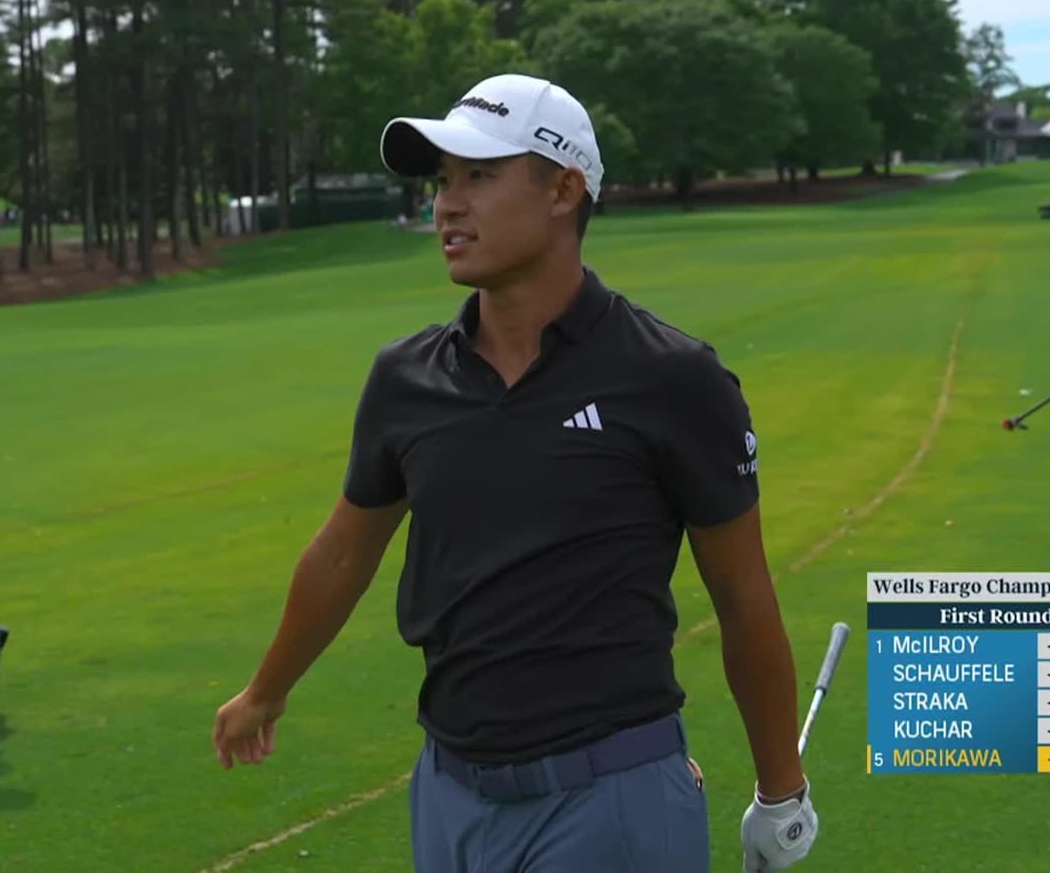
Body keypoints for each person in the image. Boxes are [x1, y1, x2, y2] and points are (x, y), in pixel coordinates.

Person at [211, 74, 819, 872]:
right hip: (450, 794)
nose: (447, 205)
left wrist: (782, 794)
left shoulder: (672, 378)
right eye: (443, 181)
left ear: (564, 190)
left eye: (480, 176)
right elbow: (342, 553)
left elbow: (743, 598)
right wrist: (266, 688)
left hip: (612, 799)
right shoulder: (406, 379)